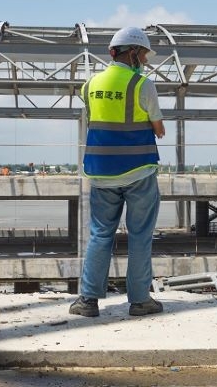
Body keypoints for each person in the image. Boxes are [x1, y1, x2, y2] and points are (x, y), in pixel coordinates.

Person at [69, 26, 166, 318]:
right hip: (138, 173)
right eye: (145, 54)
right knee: (140, 236)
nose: (146, 60)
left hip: (101, 173)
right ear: (134, 52)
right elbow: (159, 129)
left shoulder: (89, 85)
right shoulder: (142, 84)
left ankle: (87, 301)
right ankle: (139, 301)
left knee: (100, 235)